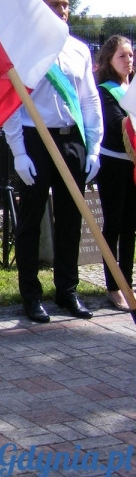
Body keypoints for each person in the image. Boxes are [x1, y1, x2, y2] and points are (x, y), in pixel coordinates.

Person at [3, 0, 103, 323]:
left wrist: (94, 146)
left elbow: (89, 99)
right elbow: (12, 104)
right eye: (53, 5)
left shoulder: (79, 50)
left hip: (71, 138)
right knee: (31, 219)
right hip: (35, 139)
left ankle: (67, 291)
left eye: (64, 4)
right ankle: (31, 295)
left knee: (71, 219)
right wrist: (18, 151)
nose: (61, 10)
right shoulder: (25, 50)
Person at [94, 35, 136, 310]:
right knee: (114, 224)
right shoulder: (106, 90)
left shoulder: (131, 88)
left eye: (131, 55)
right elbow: (116, 123)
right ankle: (112, 286)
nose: (128, 60)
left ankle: (126, 283)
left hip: (132, 164)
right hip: (112, 165)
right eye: (122, 56)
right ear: (109, 60)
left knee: (130, 226)